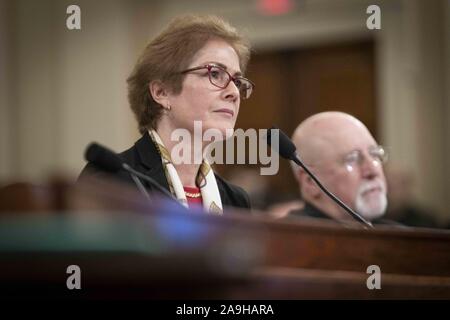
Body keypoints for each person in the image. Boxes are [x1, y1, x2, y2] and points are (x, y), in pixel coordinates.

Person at [79, 14, 255, 213]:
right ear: (162, 92)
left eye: (237, 81)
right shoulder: (111, 181)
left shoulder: (236, 201)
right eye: (215, 73)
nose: (233, 92)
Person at [287, 112, 394, 225]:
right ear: (310, 182)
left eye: (374, 154)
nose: (372, 171)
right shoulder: (285, 239)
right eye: (353, 159)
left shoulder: (400, 239)